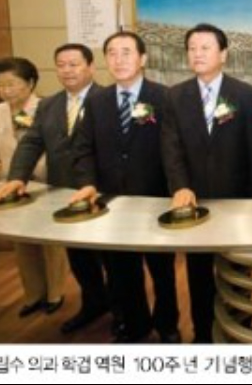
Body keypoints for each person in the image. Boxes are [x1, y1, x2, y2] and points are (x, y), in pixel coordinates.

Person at [0, 44, 114, 334]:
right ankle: (94, 303)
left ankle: (123, 311)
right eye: (61, 65)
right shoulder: (48, 105)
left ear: (91, 67)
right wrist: (17, 177)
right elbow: (32, 143)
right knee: (79, 258)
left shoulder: (108, 100)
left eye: (74, 64)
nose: (67, 70)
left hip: (104, 195)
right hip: (65, 196)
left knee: (113, 260)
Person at [72, 31, 180, 343]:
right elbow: (83, 148)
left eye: (126, 52)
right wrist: (87, 183)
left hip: (155, 199)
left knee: (162, 271)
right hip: (112, 203)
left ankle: (167, 325)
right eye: (112, 53)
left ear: (143, 58)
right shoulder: (96, 101)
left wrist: (178, 189)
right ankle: (135, 325)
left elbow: (175, 149)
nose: (118, 60)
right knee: (121, 271)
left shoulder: (164, 97)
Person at [161, 23, 252, 344]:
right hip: (195, 204)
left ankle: (240, 331)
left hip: (236, 204)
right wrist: (180, 186)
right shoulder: (175, 95)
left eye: (205, 47)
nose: (197, 53)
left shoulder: (245, 94)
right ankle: (203, 335)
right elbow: (171, 147)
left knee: (238, 272)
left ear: (223, 54)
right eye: (192, 48)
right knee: (199, 274)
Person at [0, 57, 69, 317]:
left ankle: (55, 293)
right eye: (0, 85)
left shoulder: (49, 108)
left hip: (45, 184)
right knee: (22, 243)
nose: (5, 90)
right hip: (12, 188)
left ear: (30, 83)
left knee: (50, 243)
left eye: (12, 84)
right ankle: (33, 294)